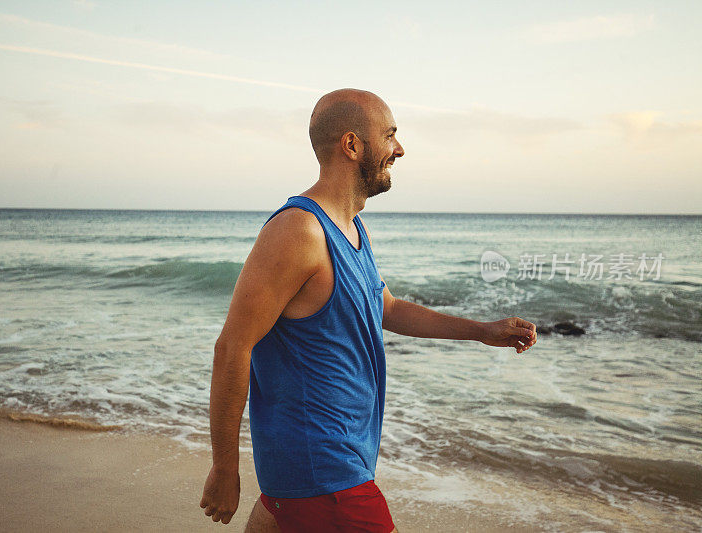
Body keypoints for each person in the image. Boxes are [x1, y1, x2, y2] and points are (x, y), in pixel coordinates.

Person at [199, 88, 537, 532]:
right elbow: (232, 348)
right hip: (327, 471)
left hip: (321, 468)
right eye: (390, 135)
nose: (399, 149)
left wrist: (481, 331)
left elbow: (387, 308)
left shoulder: (354, 229)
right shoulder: (298, 231)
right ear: (352, 144)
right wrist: (225, 469)